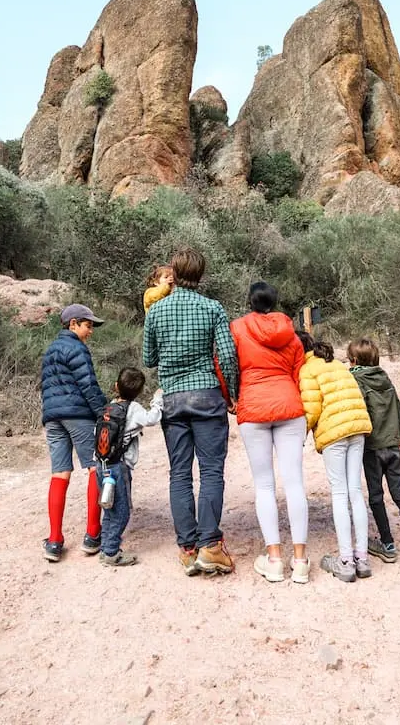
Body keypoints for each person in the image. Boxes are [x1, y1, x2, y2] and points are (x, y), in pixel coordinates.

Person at [143, 247, 238, 576]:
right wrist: (234, 395)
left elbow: (149, 358)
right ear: (201, 274)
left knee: (179, 474)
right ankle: (210, 545)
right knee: (212, 472)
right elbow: (226, 356)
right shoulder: (213, 307)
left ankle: (187, 549)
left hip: (173, 399)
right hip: (207, 396)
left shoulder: (156, 311)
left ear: (175, 272)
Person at [231, 282, 310, 584]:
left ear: (250, 301)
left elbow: (224, 362)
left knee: (264, 485)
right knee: (295, 483)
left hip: (253, 406)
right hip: (289, 404)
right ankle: (300, 561)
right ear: (275, 301)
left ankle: (274, 559)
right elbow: (298, 370)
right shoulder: (289, 332)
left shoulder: (237, 328)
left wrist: (231, 397)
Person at [297, 332, 373, 583]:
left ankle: (345, 561)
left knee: (339, 493)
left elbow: (312, 407)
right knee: (355, 491)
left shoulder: (308, 370)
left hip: (334, 433)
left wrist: (300, 434)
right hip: (358, 427)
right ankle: (362, 558)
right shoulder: (336, 363)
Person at [348, 338, 400, 562]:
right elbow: (397, 408)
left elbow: (360, 412)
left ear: (353, 360)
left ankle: (388, 545)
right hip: (392, 445)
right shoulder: (385, 378)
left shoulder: (355, 380)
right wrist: (399, 436)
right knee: (399, 493)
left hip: (372, 447)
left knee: (376, 495)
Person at [40, 303, 108, 563]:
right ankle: (92, 535)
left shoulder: (50, 351)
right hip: (78, 416)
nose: (90, 331)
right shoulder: (77, 349)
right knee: (94, 468)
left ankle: (55, 541)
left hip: (53, 418)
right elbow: (88, 385)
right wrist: (104, 411)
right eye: (88, 325)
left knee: (60, 473)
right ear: (73, 324)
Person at [94, 366, 164, 567]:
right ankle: (111, 553)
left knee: (109, 509)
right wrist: (157, 400)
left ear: (116, 386)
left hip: (102, 465)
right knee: (122, 511)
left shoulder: (108, 408)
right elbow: (152, 419)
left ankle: (106, 548)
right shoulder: (133, 409)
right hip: (119, 467)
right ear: (138, 392)